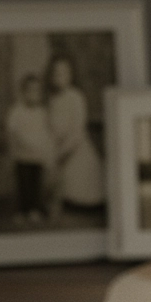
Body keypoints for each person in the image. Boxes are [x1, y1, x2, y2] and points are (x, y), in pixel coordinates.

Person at [47, 54, 105, 214]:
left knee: (79, 174)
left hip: (76, 144)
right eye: (56, 73)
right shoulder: (52, 99)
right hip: (58, 142)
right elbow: (51, 124)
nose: (59, 77)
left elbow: (78, 129)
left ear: (71, 75)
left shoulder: (76, 97)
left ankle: (83, 202)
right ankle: (59, 201)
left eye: (64, 73)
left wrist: (64, 150)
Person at [5, 73, 55, 224]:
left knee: (37, 185)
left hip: (38, 157)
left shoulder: (42, 112)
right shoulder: (17, 111)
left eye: (37, 91)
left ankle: (35, 210)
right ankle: (22, 211)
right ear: (23, 92)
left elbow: (47, 133)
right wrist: (13, 151)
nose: (34, 94)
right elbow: (11, 131)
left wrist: (48, 153)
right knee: (23, 185)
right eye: (30, 90)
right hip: (22, 157)